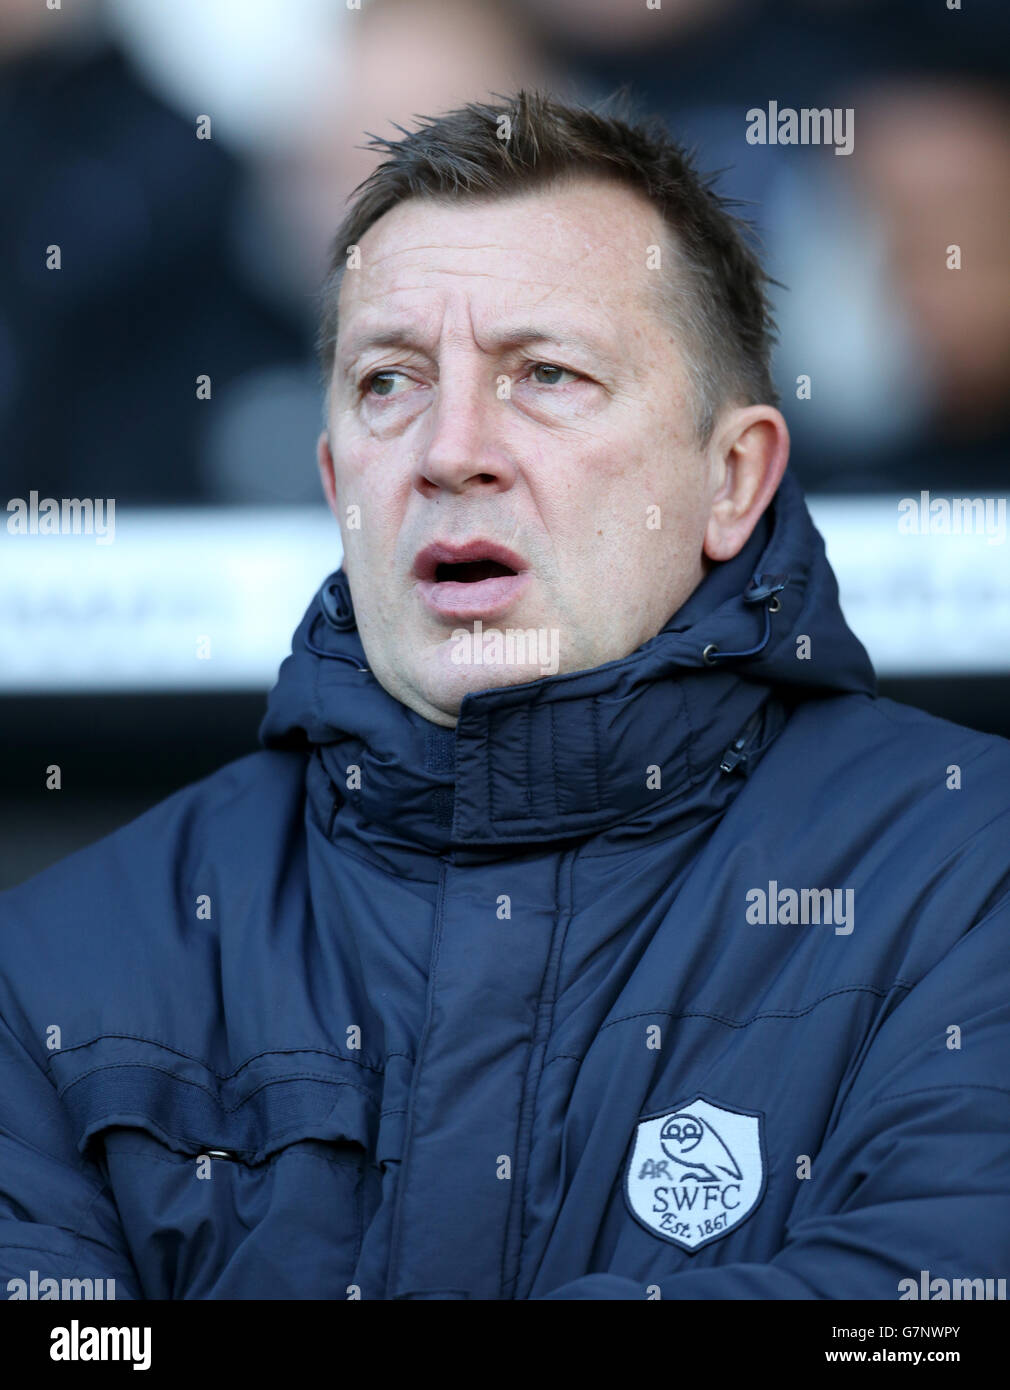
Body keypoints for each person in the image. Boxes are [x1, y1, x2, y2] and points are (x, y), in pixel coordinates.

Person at [1, 91, 1007, 1302]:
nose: (447, 447)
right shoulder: (58, 962)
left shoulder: (970, 881)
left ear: (730, 478)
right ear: (336, 480)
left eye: (545, 372)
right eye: (388, 382)